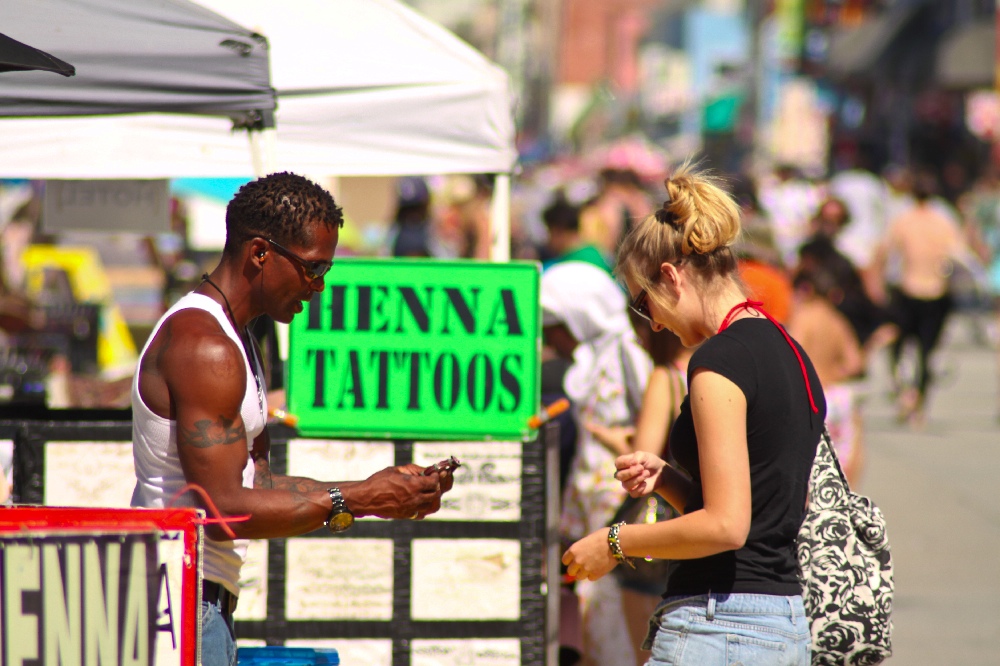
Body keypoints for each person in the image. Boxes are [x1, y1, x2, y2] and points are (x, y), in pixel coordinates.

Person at [131, 172, 454, 666]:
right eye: (312, 268)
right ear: (261, 253)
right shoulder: (206, 344)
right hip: (177, 602)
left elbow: (253, 484)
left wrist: (373, 491)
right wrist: (359, 498)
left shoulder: (235, 337)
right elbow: (220, 511)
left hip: (195, 598)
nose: (319, 288)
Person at [562, 163, 823, 666]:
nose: (652, 321)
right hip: (782, 621)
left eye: (643, 302)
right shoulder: (788, 349)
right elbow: (767, 505)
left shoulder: (717, 361)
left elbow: (727, 526)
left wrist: (615, 541)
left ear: (671, 277)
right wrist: (668, 479)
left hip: (721, 624)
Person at [541, 260, 652, 666]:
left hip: (624, 519)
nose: (550, 335)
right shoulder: (591, 362)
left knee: (615, 625)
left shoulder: (629, 354)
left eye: (555, 323)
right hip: (590, 516)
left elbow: (652, 431)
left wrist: (614, 442)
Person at [872, 171, 968, 427]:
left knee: (899, 346)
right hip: (936, 292)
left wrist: (878, 286)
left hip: (908, 289)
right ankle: (918, 404)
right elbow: (958, 254)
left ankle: (906, 392)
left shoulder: (904, 220)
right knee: (927, 351)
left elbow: (883, 252)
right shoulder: (943, 222)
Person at [787, 267, 866, 487]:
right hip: (837, 396)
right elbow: (855, 363)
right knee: (840, 468)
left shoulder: (804, 317)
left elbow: (794, 355)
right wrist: (832, 372)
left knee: (807, 471)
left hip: (810, 397)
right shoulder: (837, 321)